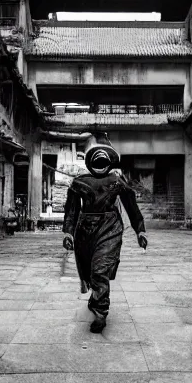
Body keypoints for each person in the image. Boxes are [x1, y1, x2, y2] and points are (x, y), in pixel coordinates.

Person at [62, 132, 147, 333]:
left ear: (109, 163)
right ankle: (95, 298)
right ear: (90, 163)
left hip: (110, 229)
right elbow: (71, 211)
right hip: (85, 231)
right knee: (91, 270)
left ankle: (101, 313)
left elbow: (132, 207)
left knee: (101, 268)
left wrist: (140, 231)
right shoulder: (78, 183)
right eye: (96, 160)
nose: (100, 164)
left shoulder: (117, 182)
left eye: (103, 161)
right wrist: (68, 233)